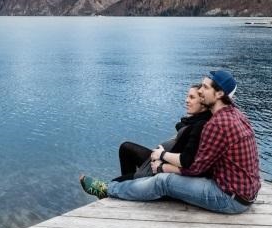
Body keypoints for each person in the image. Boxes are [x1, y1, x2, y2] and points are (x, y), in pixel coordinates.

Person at [80, 69, 260, 215]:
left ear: (220, 93)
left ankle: (108, 190)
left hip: (228, 198)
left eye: (205, 87)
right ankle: (119, 190)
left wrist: (162, 165)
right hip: (244, 192)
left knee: (163, 182)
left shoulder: (217, 124)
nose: (200, 91)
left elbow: (194, 168)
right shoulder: (236, 114)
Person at [114, 83, 211, 182]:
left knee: (115, 183)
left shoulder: (200, 126)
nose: (186, 101)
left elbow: (186, 160)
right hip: (159, 160)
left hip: (160, 167)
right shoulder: (195, 121)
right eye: (187, 96)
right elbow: (182, 127)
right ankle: (130, 185)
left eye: (192, 97)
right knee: (125, 148)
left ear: (203, 102)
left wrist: (161, 157)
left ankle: (131, 184)